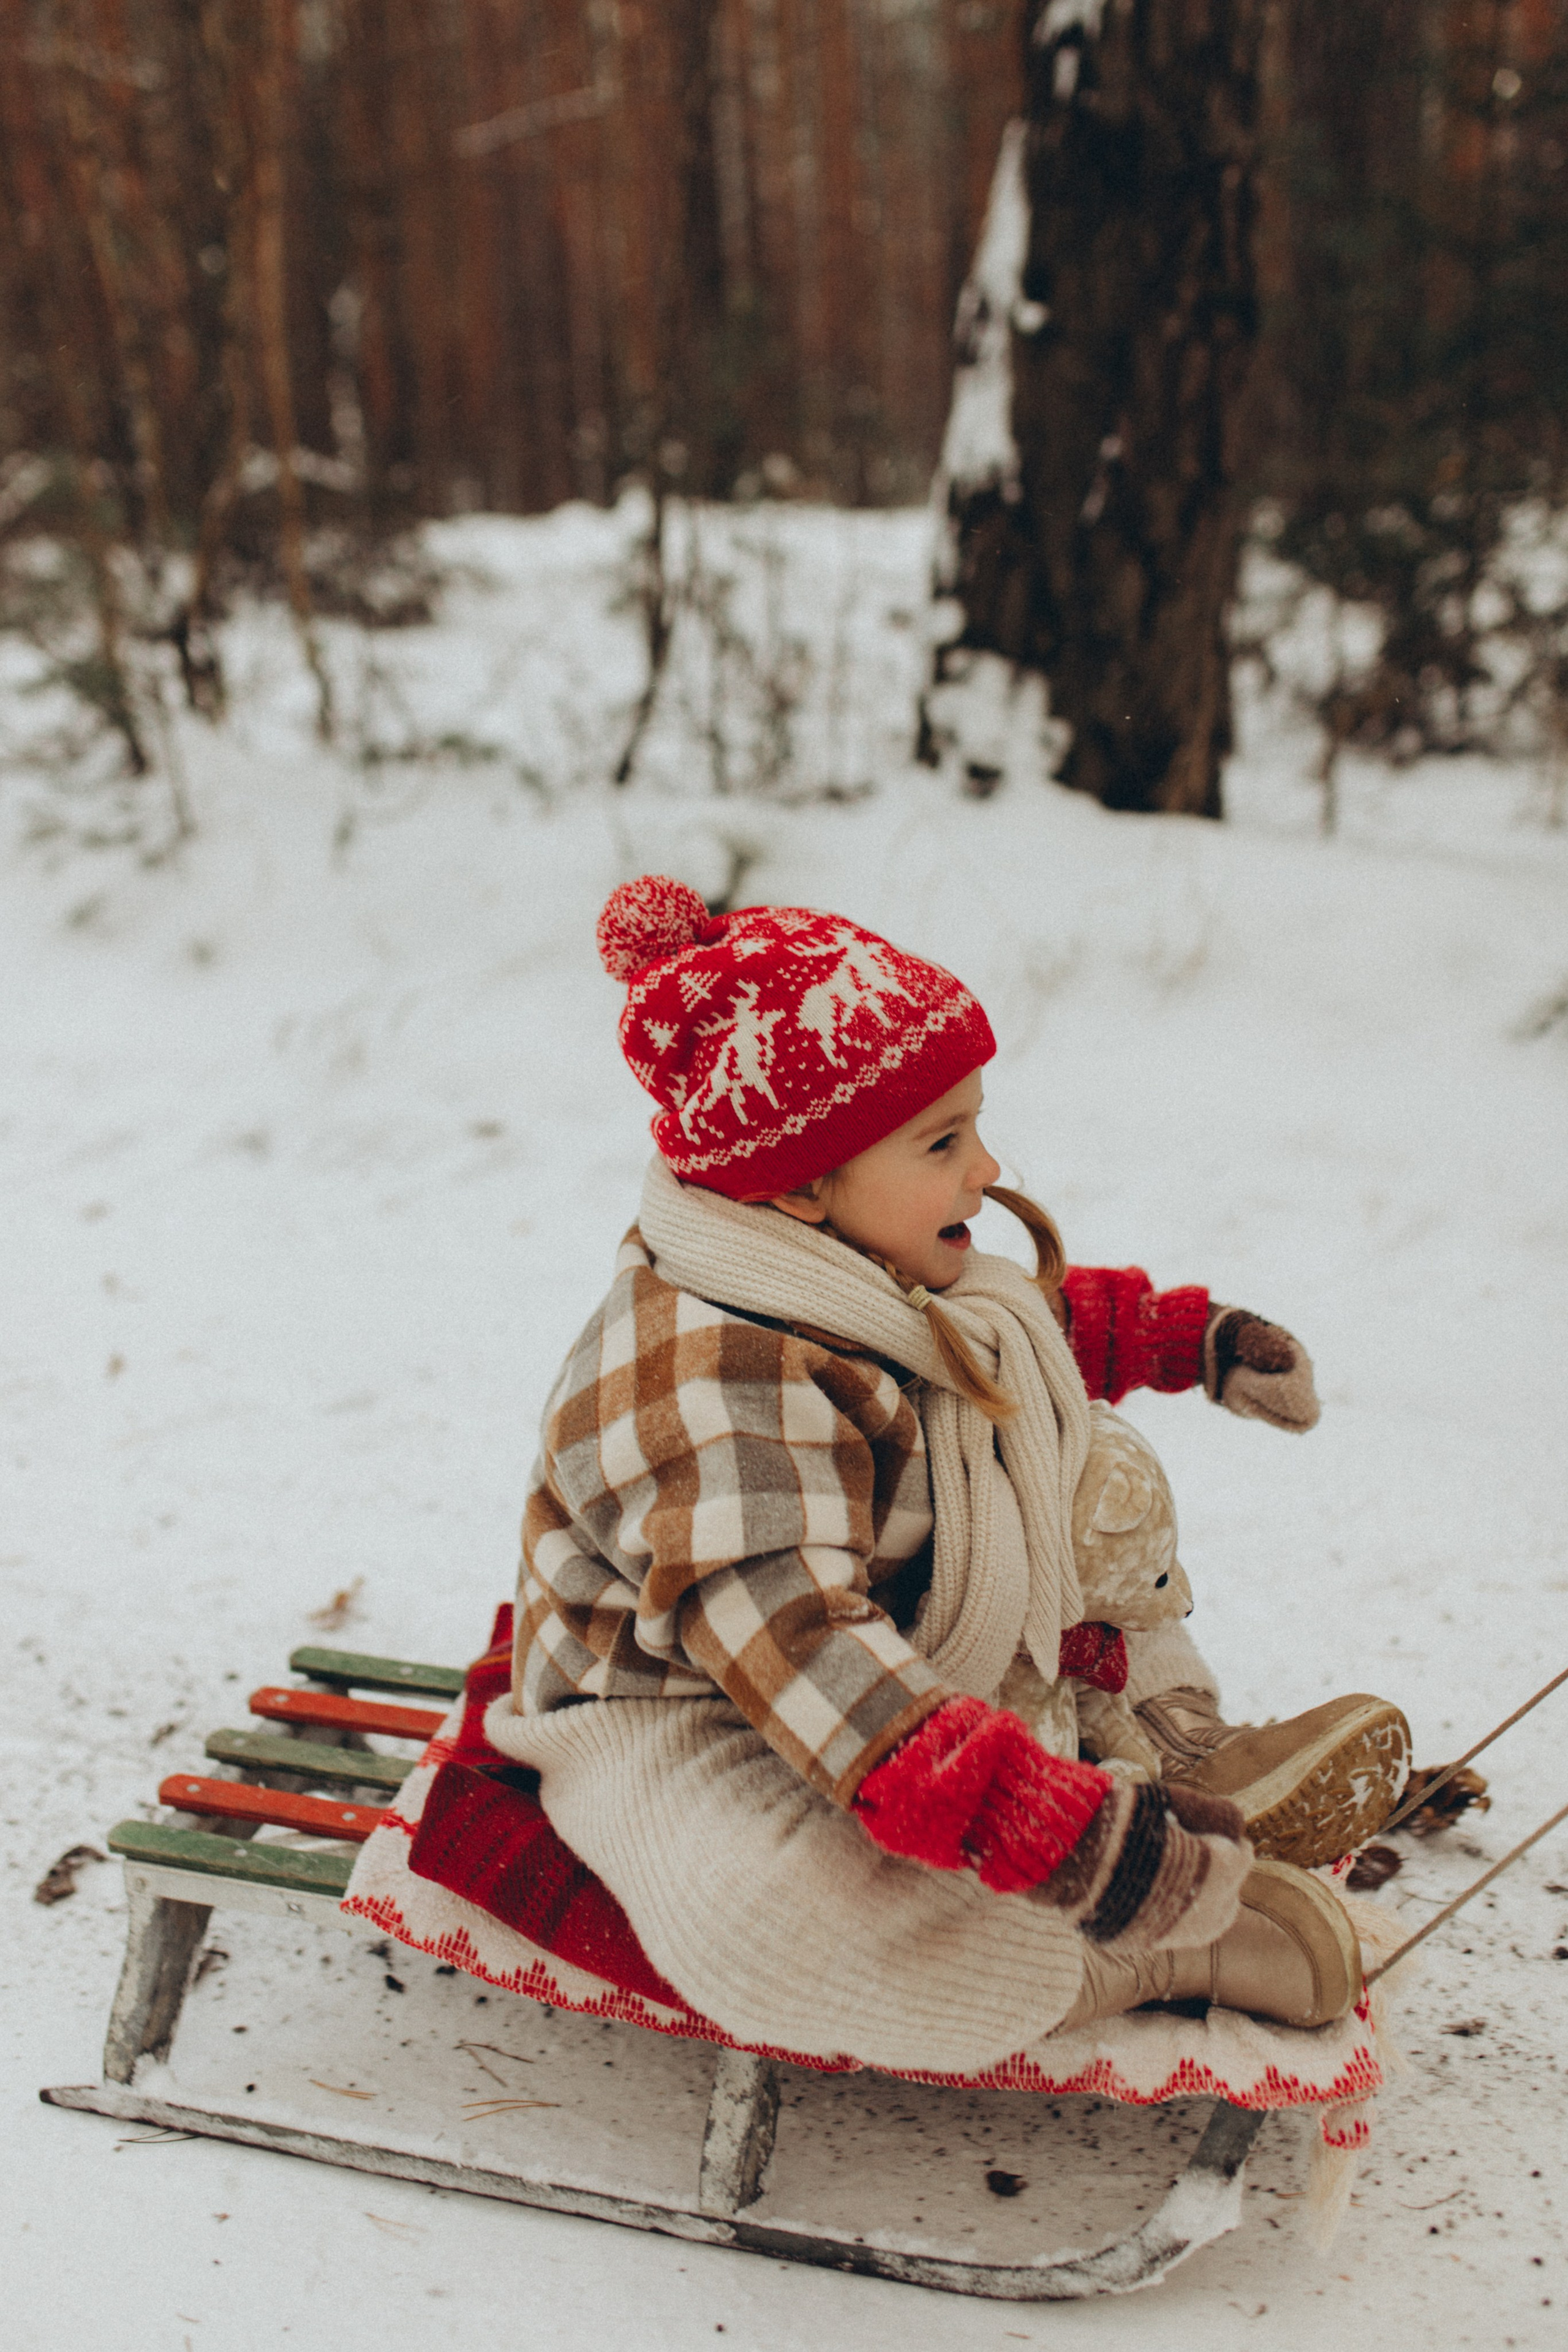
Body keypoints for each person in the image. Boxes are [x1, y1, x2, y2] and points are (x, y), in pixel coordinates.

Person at [432, 878, 1408, 2077]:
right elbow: (812, 1660)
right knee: (756, 1918)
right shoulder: (706, 1392)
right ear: (799, 1182)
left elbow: (1010, 1331)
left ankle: (1172, 1743)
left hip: (881, 1633)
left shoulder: (837, 1254)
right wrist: (1058, 1844)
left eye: (974, 1126)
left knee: (1059, 1464)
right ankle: (1121, 1952)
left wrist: (1181, 1339)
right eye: (942, 1144)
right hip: (690, 1707)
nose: (985, 1168)